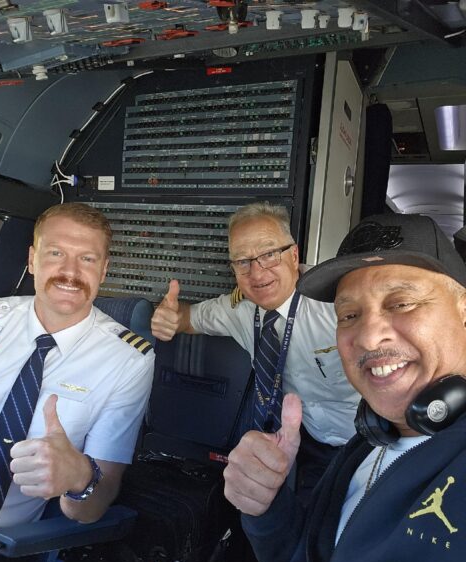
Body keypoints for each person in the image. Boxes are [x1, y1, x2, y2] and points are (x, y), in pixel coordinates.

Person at [184, 212, 466, 562]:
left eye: (402, 303)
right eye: (349, 315)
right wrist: (267, 507)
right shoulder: (369, 446)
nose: (370, 337)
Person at [0, 202, 154, 562]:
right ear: (32, 258)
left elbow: (96, 502)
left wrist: (78, 476)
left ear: (104, 268)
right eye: (56, 252)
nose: (70, 271)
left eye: (87, 258)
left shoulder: (129, 359)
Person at [151, 202, 359, 498]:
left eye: (269, 254)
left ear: (294, 255)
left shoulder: (336, 303)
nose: (257, 271)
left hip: (368, 441)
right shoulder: (239, 310)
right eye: (242, 261)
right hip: (305, 445)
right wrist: (168, 317)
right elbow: (186, 317)